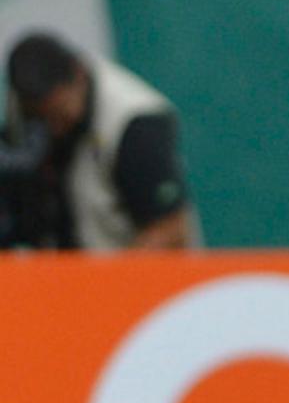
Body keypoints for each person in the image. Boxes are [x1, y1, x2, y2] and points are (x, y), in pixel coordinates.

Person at [3, 31, 195, 249]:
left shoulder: (134, 123)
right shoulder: (24, 114)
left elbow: (170, 231)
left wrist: (110, 282)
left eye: (59, 115)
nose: (53, 129)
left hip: (138, 276)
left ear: (79, 75)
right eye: (41, 118)